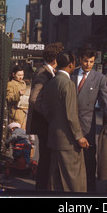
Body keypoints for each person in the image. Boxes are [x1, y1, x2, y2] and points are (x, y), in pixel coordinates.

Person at [42, 51, 89, 192]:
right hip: (68, 140)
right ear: (71, 64)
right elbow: (71, 114)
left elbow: (45, 109)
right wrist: (79, 136)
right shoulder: (68, 84)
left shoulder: (51, 82)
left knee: (54, 180)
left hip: (54, 136)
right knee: (74, 180)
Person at [70, 47, 107, 191]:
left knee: (89, 158)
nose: (88, 64)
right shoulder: (71, 74)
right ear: (80, 60)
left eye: (91, 62)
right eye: (85, 61)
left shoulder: (99, 78)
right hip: (69, 121)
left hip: (88, 122)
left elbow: (106, 98)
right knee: (71, 156)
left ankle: (90, 190)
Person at [26, 42, 64, 190]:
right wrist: (49, 115)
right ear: (55, 59)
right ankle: (41, 190)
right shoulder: (44, 73)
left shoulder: (47, 71)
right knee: (46, 159)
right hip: (44, 124)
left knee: (47, 158)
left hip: (44, 123)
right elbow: (34, 99)